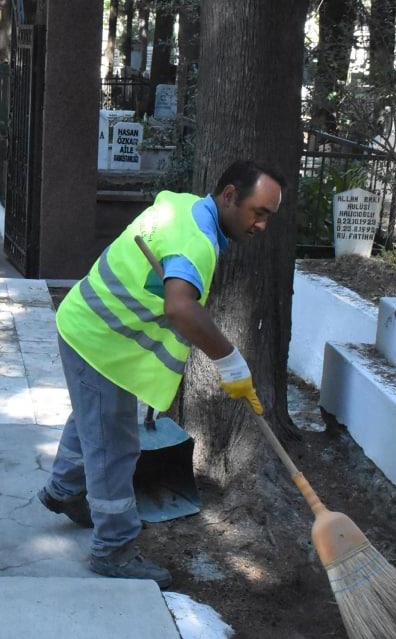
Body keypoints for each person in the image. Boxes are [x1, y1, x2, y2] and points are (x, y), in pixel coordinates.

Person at [37, 160, 284, 588]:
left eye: (268, 217)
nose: (262, 224)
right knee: (114, 447)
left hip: (91, 327)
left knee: (91, 419)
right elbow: (180, 307)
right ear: (229, 197)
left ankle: (62, 492)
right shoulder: (198, 244)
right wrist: (230, 361)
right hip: (99, 341)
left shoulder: (186, 208)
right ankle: (113, 549)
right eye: (258, 212)